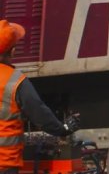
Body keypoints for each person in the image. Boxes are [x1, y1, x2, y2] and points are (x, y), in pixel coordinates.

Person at [0, 21, 80, 174]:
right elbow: (38, 113)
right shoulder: (15, 81)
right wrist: (62, 129)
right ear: (13, 51)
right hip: (4, 163)